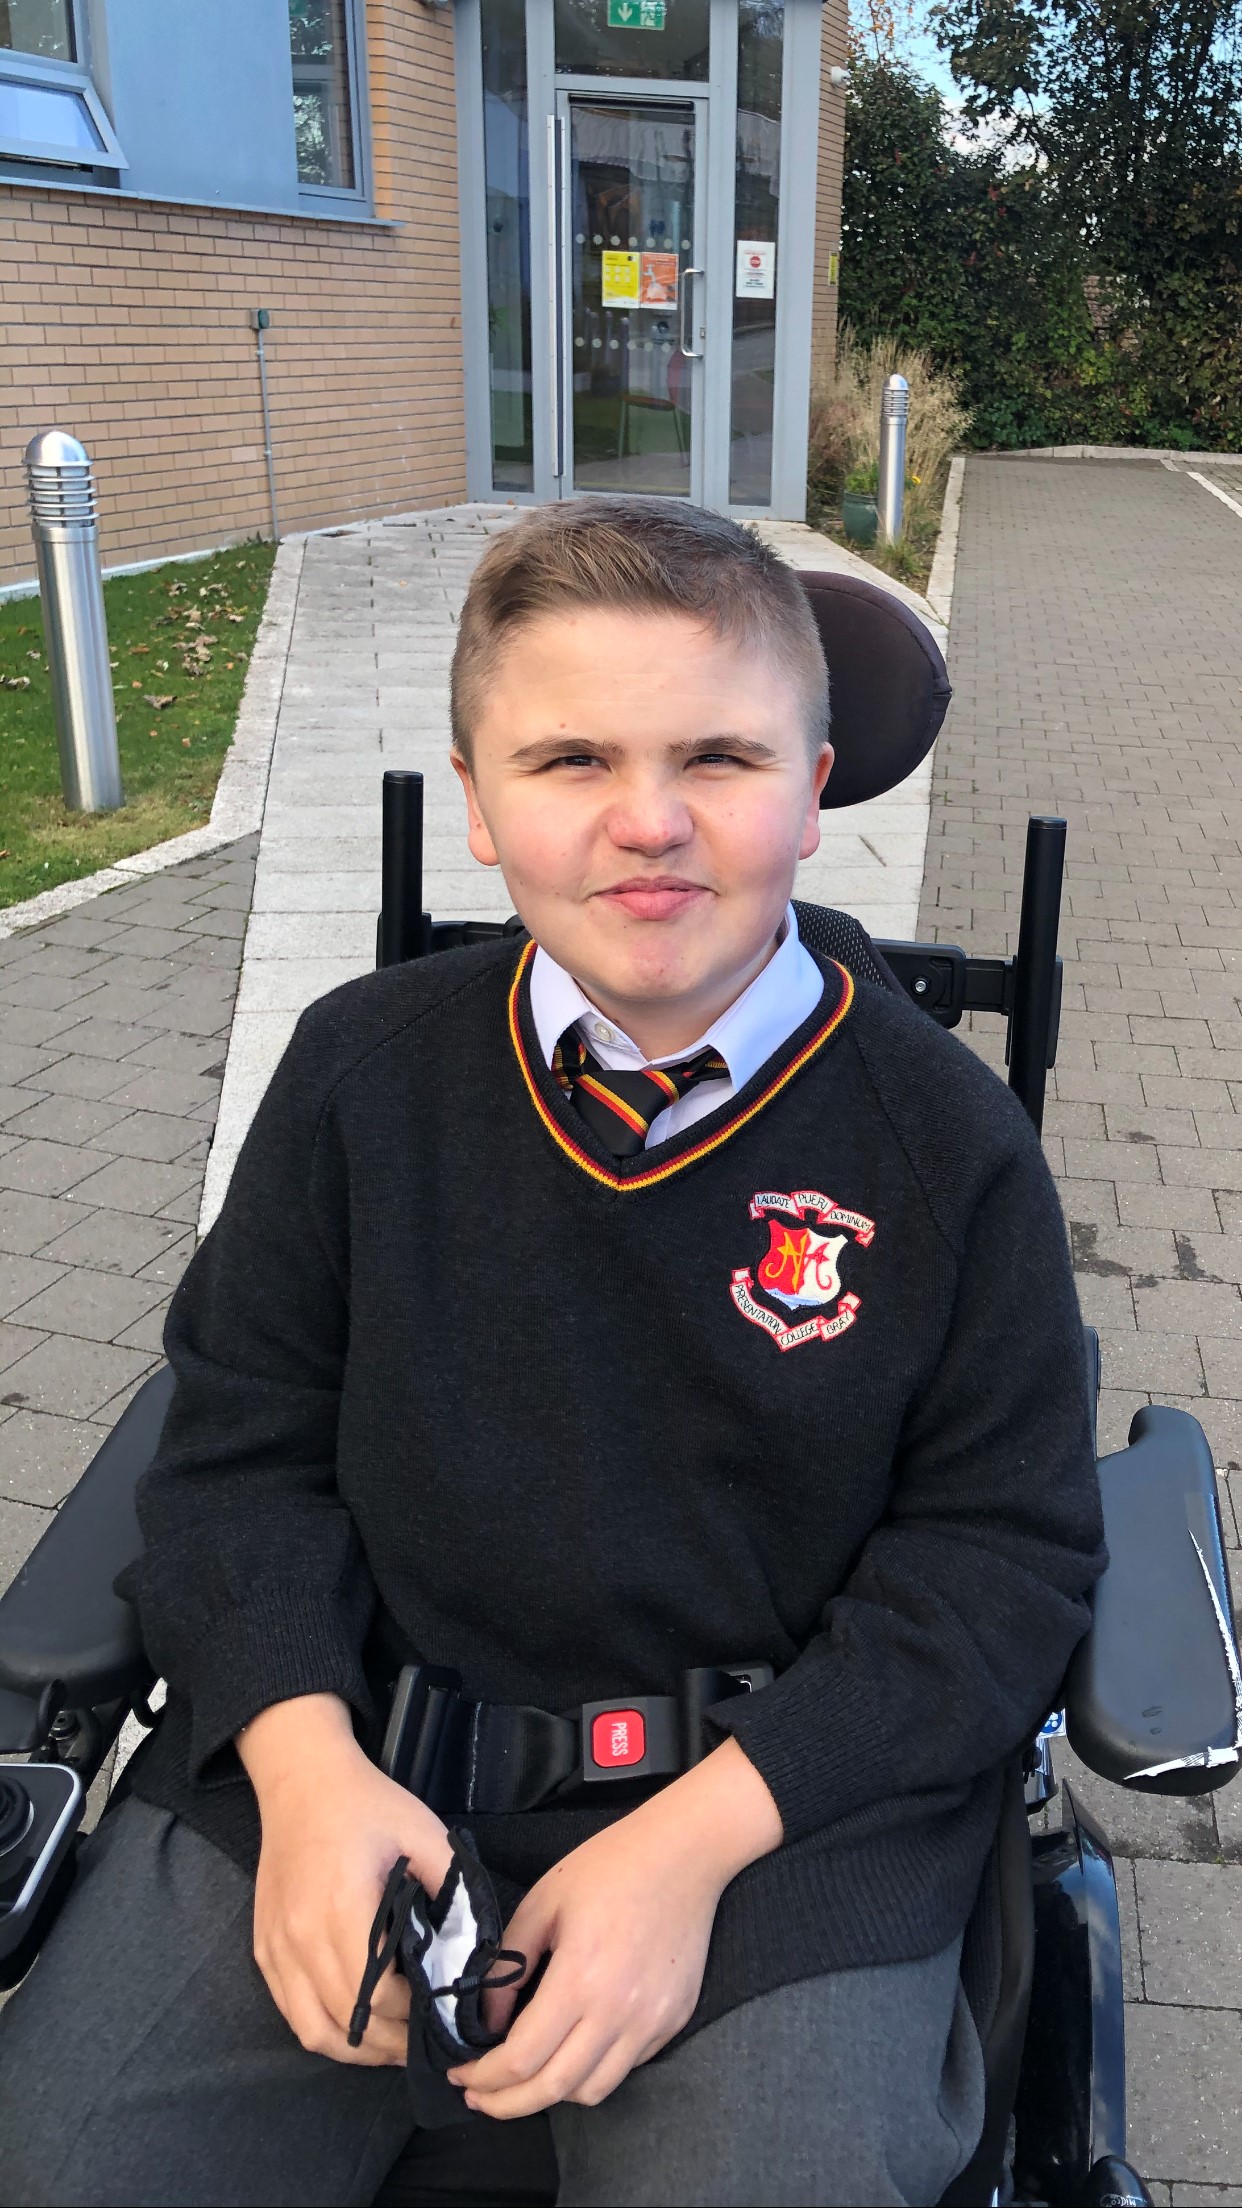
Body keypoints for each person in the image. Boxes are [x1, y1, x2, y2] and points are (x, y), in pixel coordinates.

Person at [0, 499, 1104, 2208]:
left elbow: (997, 1562)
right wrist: (299, 1769)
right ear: (477, 797)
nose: (646, 823)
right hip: (354, 1751)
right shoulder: (363, 1076)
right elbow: (235, 1453)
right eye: (569, 757)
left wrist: (692, 1845)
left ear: (814, 788)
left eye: (720, 758)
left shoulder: (946, 1149)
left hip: (779, 1822)